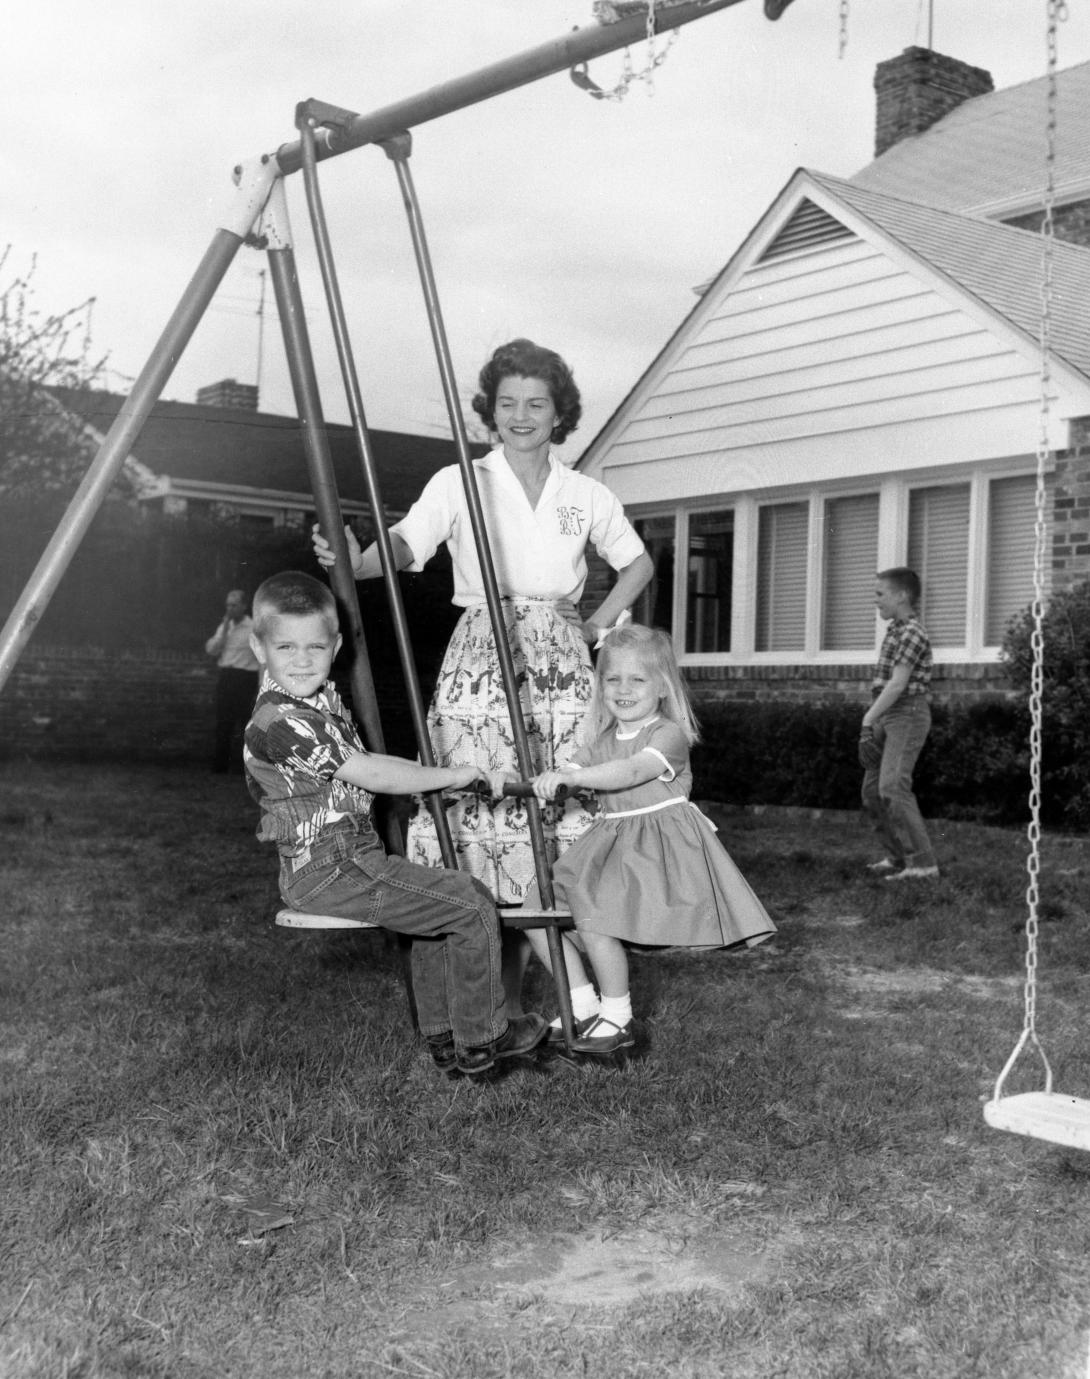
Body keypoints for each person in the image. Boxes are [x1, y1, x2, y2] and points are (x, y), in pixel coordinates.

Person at [313, 338, 653, 998]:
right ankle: (487, 983)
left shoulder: (584, 492)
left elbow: (636, 562)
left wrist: (591, 623)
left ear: (560, 413)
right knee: (484, 799)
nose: (521, 415)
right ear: (489, 412)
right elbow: (406, 544)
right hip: (482, 658)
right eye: (507, 403)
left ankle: (565, 975)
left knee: (558, 801)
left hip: (558, 661)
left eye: (536, 403)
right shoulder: (460, 480)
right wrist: (352, 560)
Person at [242, 570, 547, 1077]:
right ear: (259, 648)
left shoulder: (317, 703)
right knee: (470, 903)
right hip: (332, 867)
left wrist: (446, 778)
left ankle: (447, 1037)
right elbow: (370, 772)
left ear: (336, 646)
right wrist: (447, 774)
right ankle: (487, 1034)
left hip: (347, 860)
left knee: (434, 910)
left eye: (314, 648)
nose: (301, 661)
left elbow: (382, 765)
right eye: (286, 647)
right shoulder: (280, 720)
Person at [526, 624, 777, 1054]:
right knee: (536, 907)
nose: (623, 688)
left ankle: (618, 1016)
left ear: (662, 687)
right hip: (610, 839)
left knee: (596, 917)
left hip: (656, 843)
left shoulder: (667, 735)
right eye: (612, 678)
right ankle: (582, 1001)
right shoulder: (602, 740)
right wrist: (550, 779)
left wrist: (577, 777)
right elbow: (571, 768)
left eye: (637, 679)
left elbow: (631, 772)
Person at [859, 567, 939, 881]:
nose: (875, 600)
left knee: (893, 786)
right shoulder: (895, 630)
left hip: (907, 713)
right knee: (872, 792)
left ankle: (924, 864)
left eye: (880, 594)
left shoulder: (912, 632)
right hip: (888, 714)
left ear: (902, 595)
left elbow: (897, 684)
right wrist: (876, 716)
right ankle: (897, 858)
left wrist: (868, 718)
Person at [205, 588, 260, 773]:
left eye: (234, 605)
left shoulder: (254, 628)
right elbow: (212, 650)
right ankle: (220, 766)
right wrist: (225, 628)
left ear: (244, 606)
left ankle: (251, 769)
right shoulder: (224, 627)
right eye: (228, 605)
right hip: (226, 677)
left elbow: (262, 659)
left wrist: (260, 685)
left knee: (246, 724)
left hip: (246, 679)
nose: (230, 608)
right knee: (223, 723)